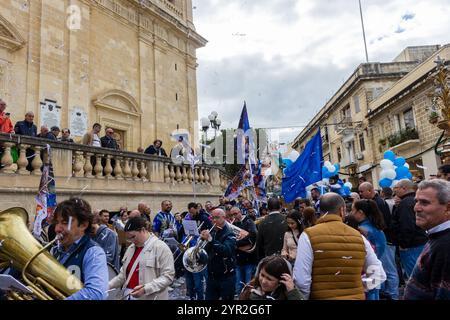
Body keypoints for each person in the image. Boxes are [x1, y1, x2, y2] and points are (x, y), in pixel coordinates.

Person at [293, 193, 386, 300]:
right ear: (342, 210)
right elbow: (379, 275)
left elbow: (301, 280)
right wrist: (360, 287)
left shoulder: (308, 236)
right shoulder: (359, 237)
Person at [50, 198, 108, 300]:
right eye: (57, 222)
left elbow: (96, 293)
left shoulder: (93, 252)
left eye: (64, 222)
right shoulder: (54, 251)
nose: (57, 229)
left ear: (83, 225)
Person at [404, 180, 450, 300]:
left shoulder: (445, 245)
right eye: (416, 201)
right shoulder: (437, 236)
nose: (416, 208)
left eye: (424, 203)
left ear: (448, 207)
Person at [109, 216, 175, 300]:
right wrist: (108, 285)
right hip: (128, 296)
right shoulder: (131, 249)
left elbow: (168, 277)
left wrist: (145, 289)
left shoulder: (161, 247)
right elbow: (123, 275)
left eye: (133, 237)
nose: (132, 241)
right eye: (129, 239)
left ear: (143, 230)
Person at [359, 181, 398, 299]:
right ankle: (387, 292)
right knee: (381, 269)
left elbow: (383, 222)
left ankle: (393, 295)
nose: (360, 193)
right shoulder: (376, 202)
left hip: (386, 241)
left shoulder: (378, 203)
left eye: (362, 191)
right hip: (383, 240)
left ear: (370, 191)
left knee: (388, 269)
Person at [351, 199, 387, 300]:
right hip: (376, 268)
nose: (351, 213)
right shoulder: (376, 226)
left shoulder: (363, 230)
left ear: (360, 212)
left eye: (353, 210)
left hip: (367, 271)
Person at [392, 179, 428, 280]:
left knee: (415, 277)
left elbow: (407, 225)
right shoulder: (414, 200)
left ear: (404, 188)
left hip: (411, 246)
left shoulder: (406, 203)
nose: (395, 190)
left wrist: (404, 244)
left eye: (396, 188)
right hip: (419, 242)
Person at [200, 208, 237, 300]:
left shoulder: (230, 233)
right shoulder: (212, 231)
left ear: (224, 218)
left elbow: (226, 251)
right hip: (212, 276)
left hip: (226, 276)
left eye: (217, 217)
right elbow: (206, 252)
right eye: (212, 218)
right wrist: (201, 242)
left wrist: (211, 240)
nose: (214, 220)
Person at [182, 202, 212, 300]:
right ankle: (192, 295)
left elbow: (210, 232)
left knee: (201, 278)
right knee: (190, 281)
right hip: (191, 251)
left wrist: (200, 234)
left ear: (196, 209)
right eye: (190, 212)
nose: (191, 214)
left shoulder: (204, 218)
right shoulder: (190, 219)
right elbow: (186, 233)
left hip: (202, 251)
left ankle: (204, 295)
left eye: (192, 212)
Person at [231, 206, 258, 296]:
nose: (234, 216)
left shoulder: (248, 221)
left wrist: (236, 243)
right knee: (239, 286)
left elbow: (253, 236)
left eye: (235, 214)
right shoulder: (234, 224)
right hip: (238, 260)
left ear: (240, 212)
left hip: (249, 259)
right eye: (232, 215)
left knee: (248, 286)